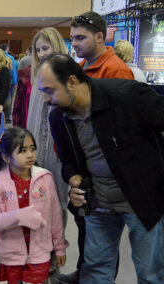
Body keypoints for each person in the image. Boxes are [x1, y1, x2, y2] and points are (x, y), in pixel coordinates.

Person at [38, 53, 164, 284]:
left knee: (150, 274)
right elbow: (67, 162)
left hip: (143, 203)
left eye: (49, 90)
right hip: (98, 205)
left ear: (73, 82)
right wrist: (74, 180)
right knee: (95, 271)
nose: (46, 99)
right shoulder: (59, 118)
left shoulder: (126, 95)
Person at [55, 11, 135, 283]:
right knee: (87, 231)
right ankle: (85, 273)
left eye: (80, 38)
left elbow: (124, 127)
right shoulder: (82, 67)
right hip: (86, 169)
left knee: (106, 240)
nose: (74, 43)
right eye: (72, 38)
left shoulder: (115, 70)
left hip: (110, 175)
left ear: (100, 37)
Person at [0, 127, 68, 284]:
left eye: (32, 149)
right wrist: (19, 216)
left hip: (40, 253)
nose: (30, 155)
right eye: (22, 150)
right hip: (11, 255)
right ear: (6, 157)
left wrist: (60, 247)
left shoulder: (45, 179)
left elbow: (55, 217)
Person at [26, 27, 69, 229]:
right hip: (37, 149)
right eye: (38, 50)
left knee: (57, 201)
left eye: (45, 48)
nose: (42, 54)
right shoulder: (37, 77)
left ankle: (54, 250)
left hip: (58, 151)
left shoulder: (68, 78)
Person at [0, 43, 18, 122]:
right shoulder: (10, 58)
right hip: (9, 82)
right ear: (7, 49)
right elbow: (13, 71)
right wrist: (14, 82)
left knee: (0, 98)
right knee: (9, 99)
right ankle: (7, 117)